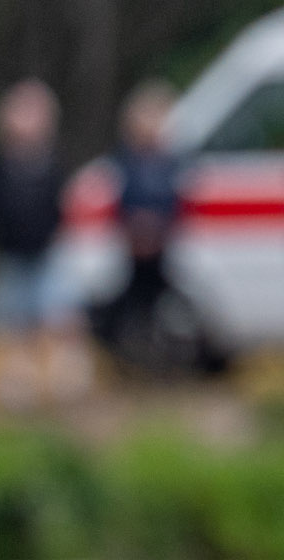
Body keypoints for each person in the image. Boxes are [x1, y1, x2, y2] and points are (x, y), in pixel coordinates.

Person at [0, 79, 84, 405]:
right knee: (17, 326)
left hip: (49, 254)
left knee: (61, 317)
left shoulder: (55, 164)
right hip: (10, 256)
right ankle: (20, 386)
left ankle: (67, 380)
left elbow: (69, 209)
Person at [96, 81, 185, 369]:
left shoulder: (172, 162)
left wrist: (159, 227)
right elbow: (116, 202)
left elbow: (178, 203)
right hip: (130, 251)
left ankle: (163, 359)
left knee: (166, 307)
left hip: (164, 249)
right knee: (126, 306)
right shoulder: (123, 162)